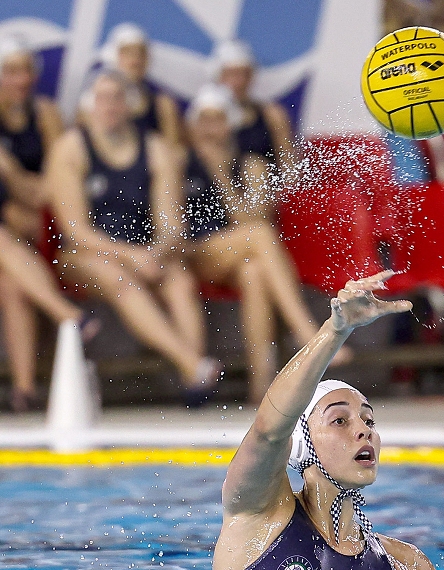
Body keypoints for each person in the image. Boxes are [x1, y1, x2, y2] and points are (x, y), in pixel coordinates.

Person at [213, 271, 442, 570]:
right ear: (301, 443)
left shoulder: (409, 568)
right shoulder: (257, 517)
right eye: (340, 421)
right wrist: (336, 331)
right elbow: (268, 430)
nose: (363, 431)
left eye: (369, 421)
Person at [47, 69, 220, 404]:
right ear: (88, 105)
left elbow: (171, 223)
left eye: (117, 97)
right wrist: (131, 255)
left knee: (179, 279)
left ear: (130, 105)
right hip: (83, 255)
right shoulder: (70, 149)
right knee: (121, 278)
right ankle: (193, 363)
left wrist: (157, 252)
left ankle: (195, 384)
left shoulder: (155, 149)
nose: (109, 105)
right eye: (102, 97)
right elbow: (75, 231)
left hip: (144, 253)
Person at [182, 84, 341, 403]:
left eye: (218, 119)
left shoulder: (253, 165)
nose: (210, 129)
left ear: (232, 123)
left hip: (237, 257)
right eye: (204, 120)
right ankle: (307, 332)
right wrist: (211, 168)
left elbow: (250, 219)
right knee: (260, 237)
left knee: (254, 270)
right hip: (195, 256)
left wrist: (222, 177)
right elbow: (179, 230)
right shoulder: (177, 161)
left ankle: (262, 385)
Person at [0, 37, 96, 411]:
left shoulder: (46, 115)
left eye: (26, 71)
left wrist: (12, 175)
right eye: (11, 72)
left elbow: (52, 191)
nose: (21, 80)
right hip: (13, 235)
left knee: (11, 282)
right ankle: (67, 315)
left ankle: (24, 390)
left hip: (32, 237)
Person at [211, 40, 294, 171]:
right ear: (218, 76)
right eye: (231, 75)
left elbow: (289, 164)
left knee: (254, 167)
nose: (238, 82)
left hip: (262, 182)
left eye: (243, 74)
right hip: (221, 185)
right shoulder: (205, 116)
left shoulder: (271, 114)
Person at [99, 23, 183, 145]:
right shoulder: (90, 102)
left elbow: (172, 152)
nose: (135, 60)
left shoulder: (163, 106)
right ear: (113, 55)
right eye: (127, 53)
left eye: (141, 53)